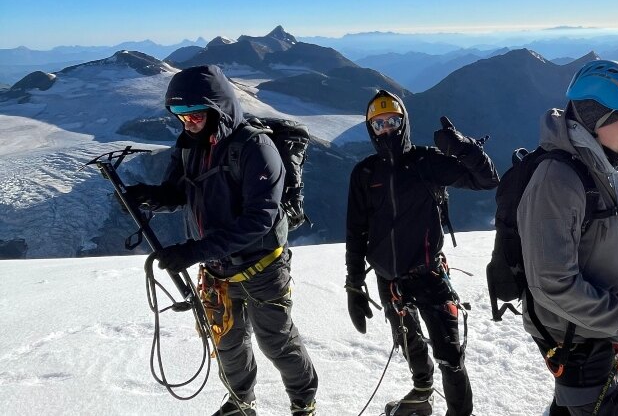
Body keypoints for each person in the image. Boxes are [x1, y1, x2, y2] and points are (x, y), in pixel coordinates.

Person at [124, 65, 318, 416]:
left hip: (263, 268)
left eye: (195, 114)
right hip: (217, 269)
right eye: (179, 114)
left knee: (276, 341)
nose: (188, 122)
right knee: (226, 341)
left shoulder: (255, 148)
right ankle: (241, 403)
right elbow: (177, 192)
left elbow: (260, 218)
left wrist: (193, 251)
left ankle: (304, 402)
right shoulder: (189, 147)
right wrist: (147, 196)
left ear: (219, 108)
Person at [517, 60, 618, 416]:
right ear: (595, 117)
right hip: (574, 336)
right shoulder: (558, 180)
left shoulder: (611, 164)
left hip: (599, 326)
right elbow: (552, 283)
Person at [345, 90, 499, 416]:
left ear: (403, 123)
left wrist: (463, 148)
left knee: (450, 355)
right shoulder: (365, 173)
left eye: (392, 121)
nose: (386, 129)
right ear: (371, 129)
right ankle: (422, 391)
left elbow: (486, 180)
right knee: (408, 342)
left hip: (429, 274)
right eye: (378, 124)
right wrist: (354, 283)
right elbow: (355, 232)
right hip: (389, 280)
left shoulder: (426, 162)